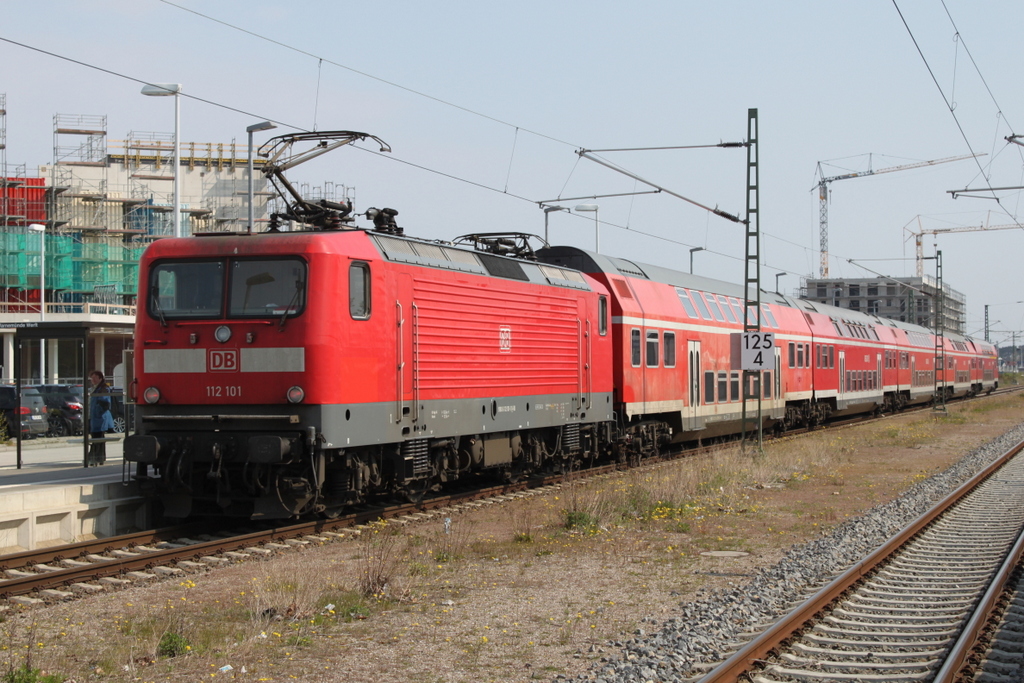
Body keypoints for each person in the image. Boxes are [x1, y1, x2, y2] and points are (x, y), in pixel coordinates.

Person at [88, 370, 114, 466]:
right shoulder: (93, 389)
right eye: (92, 378)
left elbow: (105, 403)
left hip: (100, 417)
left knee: (98, 437)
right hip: (93, 417)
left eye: (95, 378)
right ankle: (98, 457)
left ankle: (95, 457)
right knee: (96, 437)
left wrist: (98, 412)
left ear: (100, 378)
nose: (93, 380)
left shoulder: (104, 389)